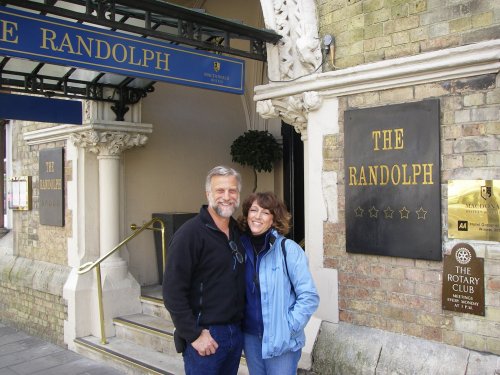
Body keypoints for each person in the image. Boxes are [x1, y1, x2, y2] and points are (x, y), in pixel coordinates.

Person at [163, 166, 246, 375]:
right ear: (208, 194)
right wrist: (194, 334)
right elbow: (172, 292)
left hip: (235, 333)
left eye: (232, 191)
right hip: (206, 335)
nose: (226, 197)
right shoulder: (190, 234)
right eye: (220, 191)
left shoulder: (237, 232)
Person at [238, 192, 319, 375]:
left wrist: (288, 327)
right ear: (247, 214)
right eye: (253, 210)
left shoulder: (288, 250)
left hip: (281, 339)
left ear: (274, 219)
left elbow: (309, 296)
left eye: (265, 212)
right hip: (250, 337)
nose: (258, 216)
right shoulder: (239, 248)